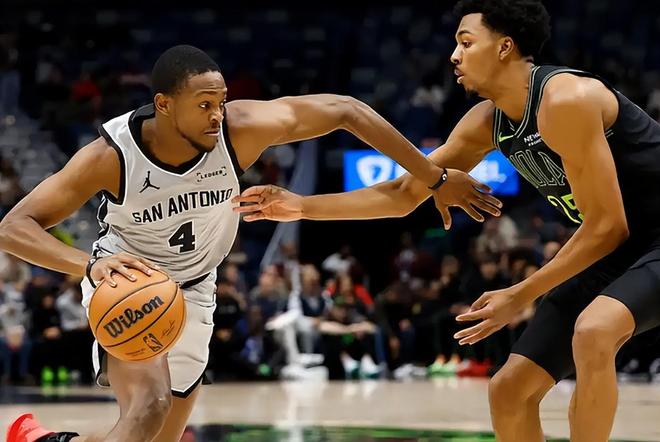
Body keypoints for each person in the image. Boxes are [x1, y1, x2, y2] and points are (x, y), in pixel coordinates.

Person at [2, 44, 496, 442]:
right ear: (164, 105)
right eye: (204, 105)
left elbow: (346, 111)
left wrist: (432, 176)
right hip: (128, 283)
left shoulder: (239, 130)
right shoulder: (111, 157)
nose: (217, 116)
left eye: (220, 102)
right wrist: (88, 265)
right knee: (149, 408)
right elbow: (13, 227)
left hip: (196, 289)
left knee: (154, 436)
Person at [232, 0, 660, 440]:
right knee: (508, 391)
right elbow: (405, 194)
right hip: (613, 249)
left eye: (465, 43)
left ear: (505, 47)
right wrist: (303, 206)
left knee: (593, 330)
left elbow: (608, 226)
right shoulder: (486, 122)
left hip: (646, 239)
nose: (454, 56)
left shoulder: (566, 99)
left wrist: (520, 293)